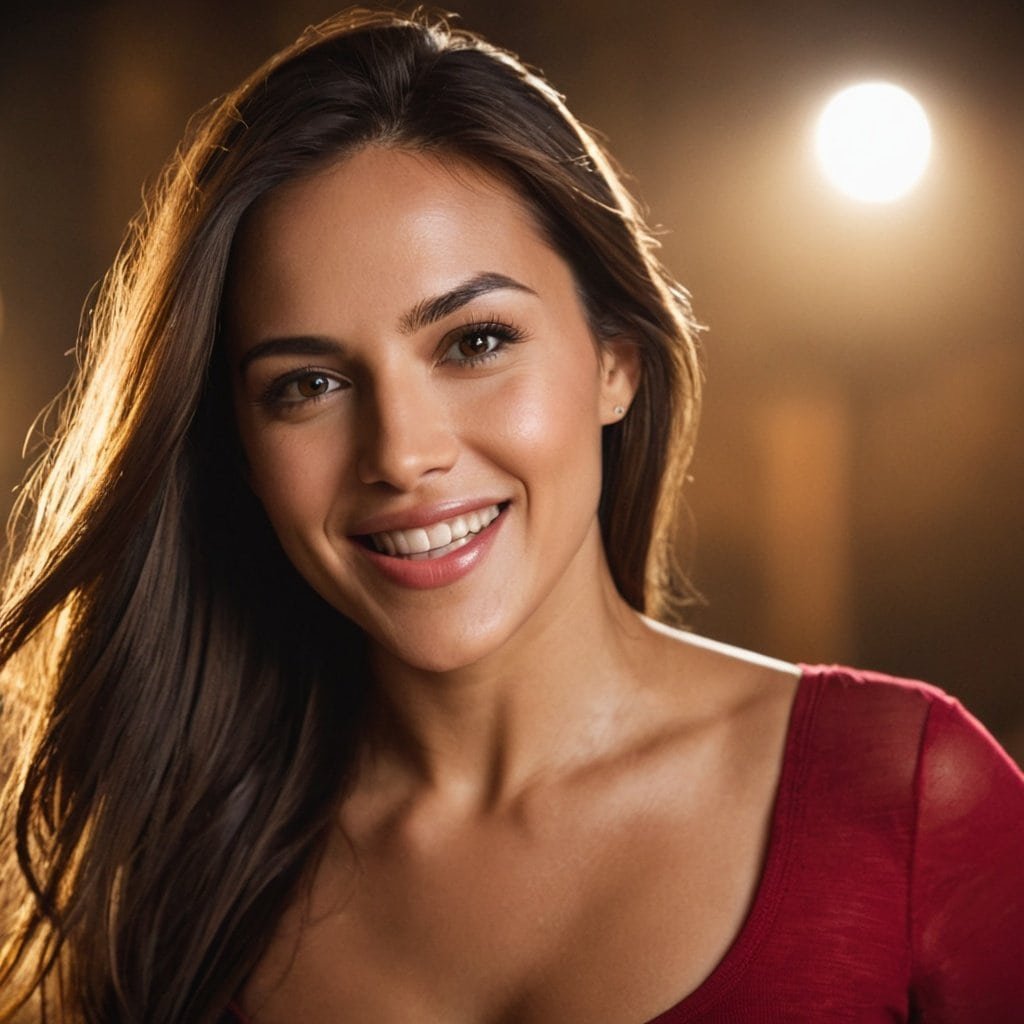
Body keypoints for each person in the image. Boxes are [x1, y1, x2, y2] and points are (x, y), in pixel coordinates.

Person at [1, 9, 1021, 1024]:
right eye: (307, 383)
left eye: (474, 341)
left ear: (615, 360)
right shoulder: (171, 877)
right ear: (238, 447)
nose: (401, 453)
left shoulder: (908, 802)